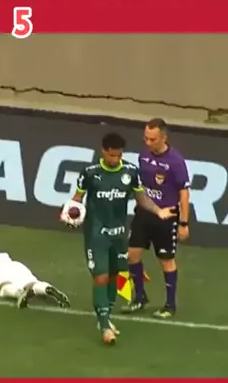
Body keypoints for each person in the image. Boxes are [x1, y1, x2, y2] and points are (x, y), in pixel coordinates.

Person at [61, 132, 176, 345]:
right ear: (103, 151)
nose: (115, 159)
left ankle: (105, 316)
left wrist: (158, 211)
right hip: (96, 234)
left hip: (119, 234)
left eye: (119, 155)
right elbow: (76, 200)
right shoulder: (90, 173)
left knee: (114, 276)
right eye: (112, 155)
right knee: (101, 277)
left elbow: (141, 197)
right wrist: (70, 212)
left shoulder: (130, 172)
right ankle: (105, 326)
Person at [123, 118, 190, 319]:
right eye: (146, 138)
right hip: (144, 214)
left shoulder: (176, 161)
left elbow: (184, 193)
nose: (148, 142)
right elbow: (140, 185)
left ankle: (170, 305)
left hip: (166, 218)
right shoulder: (143, 156)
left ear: (164, 138)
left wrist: (183, 223)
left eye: (152, 139)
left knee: (166, 260)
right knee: (132, 254)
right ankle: (139, 297)